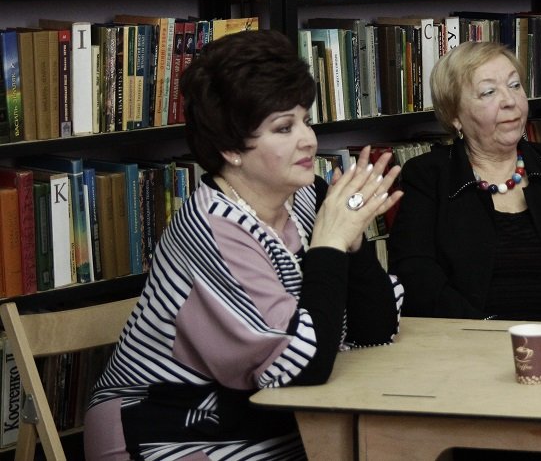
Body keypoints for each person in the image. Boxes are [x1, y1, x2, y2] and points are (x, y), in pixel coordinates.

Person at [84, 30, 405, 460]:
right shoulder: (210, 228)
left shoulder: (306, 196)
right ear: (230, 148)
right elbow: (302, 370)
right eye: (284, 128)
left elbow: (376, 330)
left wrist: (351, 238)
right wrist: (329, 242)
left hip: (276, 418)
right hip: (174, 430)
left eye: (305, 120)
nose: (308, 139)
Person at [388, 41, 541, 323]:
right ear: (454, 116)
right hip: (466, 341)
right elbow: (416, 278)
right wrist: (487, 337)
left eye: (515, 85)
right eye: (489, 92)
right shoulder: (427, 176)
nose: (510, 100)